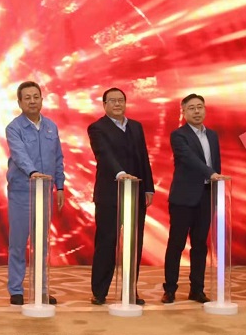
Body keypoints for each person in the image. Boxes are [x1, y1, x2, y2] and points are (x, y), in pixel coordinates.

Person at [87, 87, 154, 305]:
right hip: (110, 195)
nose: (117, 104)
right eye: (112, 101)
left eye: (121, 100)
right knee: (106, 243)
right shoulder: (97, 128)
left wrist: (148, 188)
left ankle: (130, 290)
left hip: (135, 193)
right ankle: (99, 292)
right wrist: (121, 174)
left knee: (134, 244)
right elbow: (104, 154)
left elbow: (143, 157)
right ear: (104, 104)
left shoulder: (136, 126)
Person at [4, 81, 64, 306]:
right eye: (27, 98)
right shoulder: (14, 128)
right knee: (18, 243)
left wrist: (60, 186)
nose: (32, 101)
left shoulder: (51, 127)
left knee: (42, 244)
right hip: (22, 191)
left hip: (45, 193)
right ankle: (16, 289)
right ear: (19, 102)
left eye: (35, 97)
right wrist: (33, 173)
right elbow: (19, 154)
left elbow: (58, 158)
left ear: (41, 99)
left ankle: (41, 289)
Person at [162, 94, 221, 304]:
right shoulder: (178, 135)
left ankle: (197, 289)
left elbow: (216, 164)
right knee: (176, 244)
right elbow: (188, 158)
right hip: (183, 198)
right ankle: (170, 289)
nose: (197, 111)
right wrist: (210, 173)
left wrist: (216, 187)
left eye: (200, 107)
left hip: (206, 196)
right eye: (192, 108)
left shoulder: (212, 135)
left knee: (200, 246)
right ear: (184, 112)